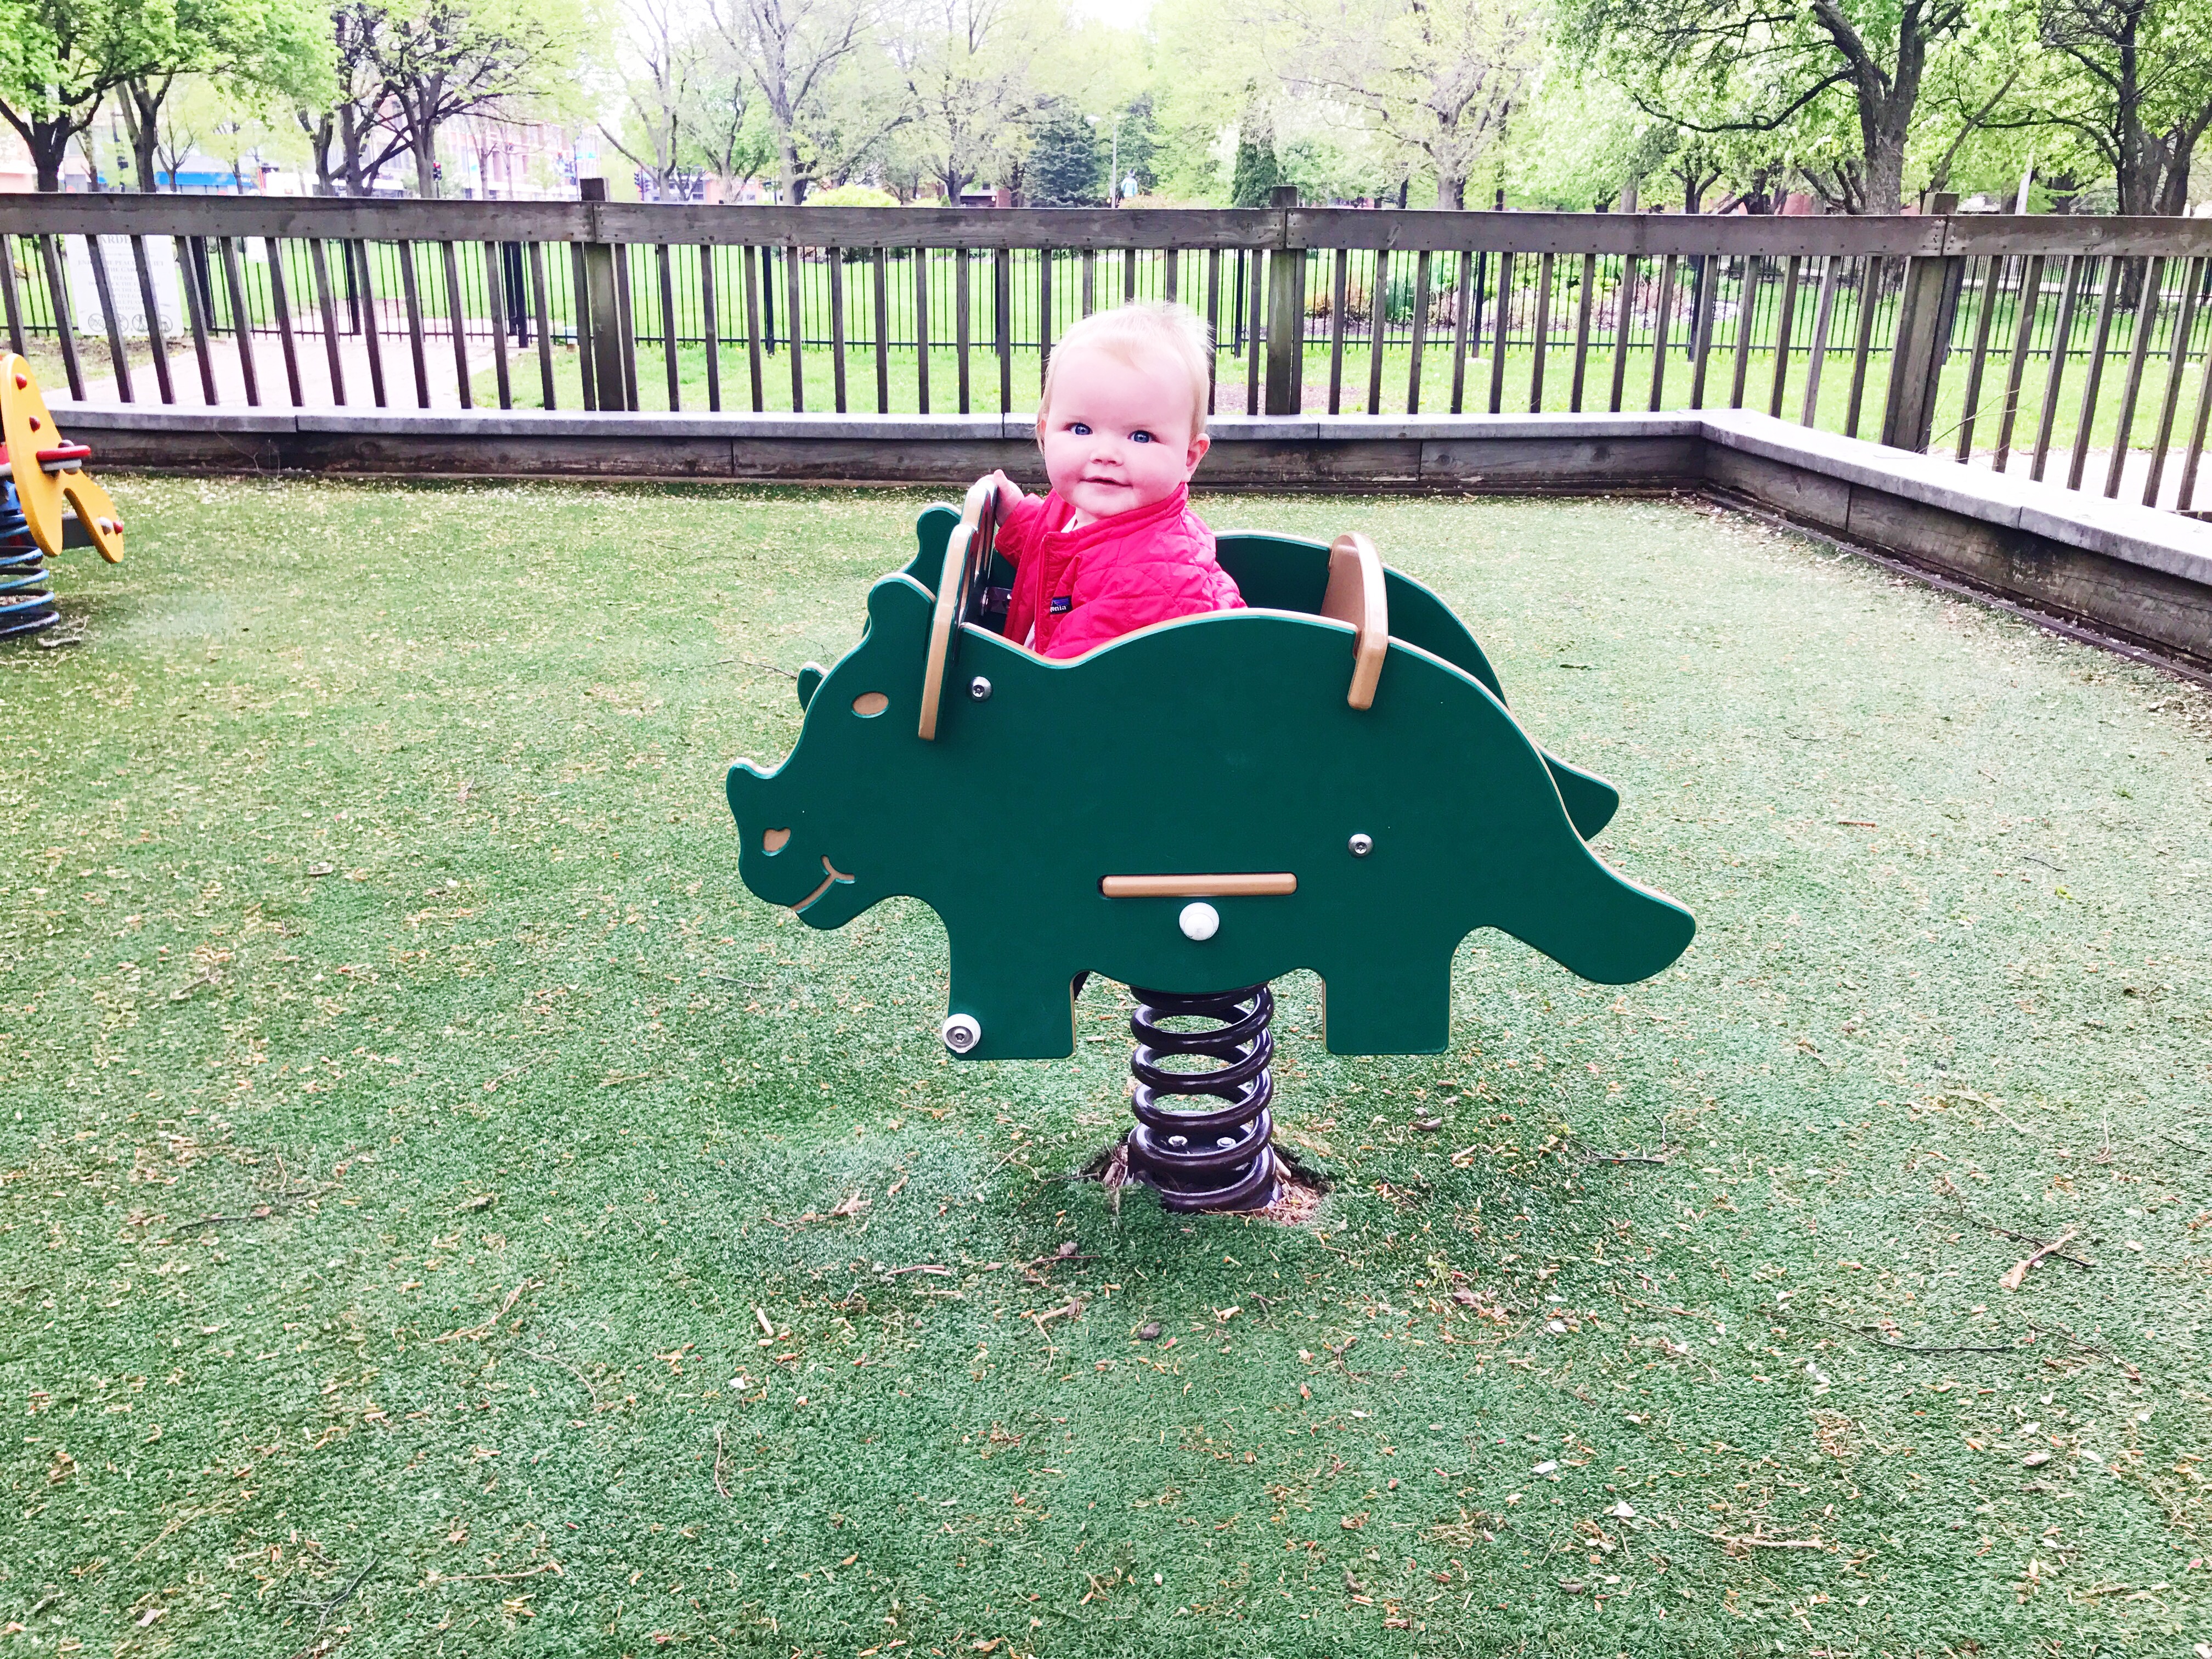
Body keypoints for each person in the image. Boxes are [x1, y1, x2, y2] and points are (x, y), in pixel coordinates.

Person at [984, 301, 1241, 659]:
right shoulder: (1084, 504)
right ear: (1045, 434)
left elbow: (1068, 687)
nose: (1105, 453)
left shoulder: (1143, 583)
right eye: (1081, 428)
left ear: (1188, 458)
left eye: (1140, 436)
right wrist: (1018, 517)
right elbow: (1072, 544)